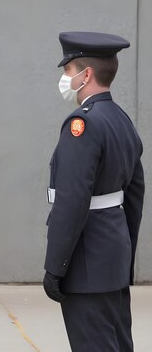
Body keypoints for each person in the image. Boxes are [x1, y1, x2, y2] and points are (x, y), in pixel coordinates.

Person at [44, 31, 145, 352]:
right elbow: (135, 193)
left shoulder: (82, 124)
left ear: (85, 74)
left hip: (86, 261)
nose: (64, 78)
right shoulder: (120, 119)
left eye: (67, 71)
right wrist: (124, 253)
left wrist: (55, 267)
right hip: (111, 254)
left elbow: (71, 202)